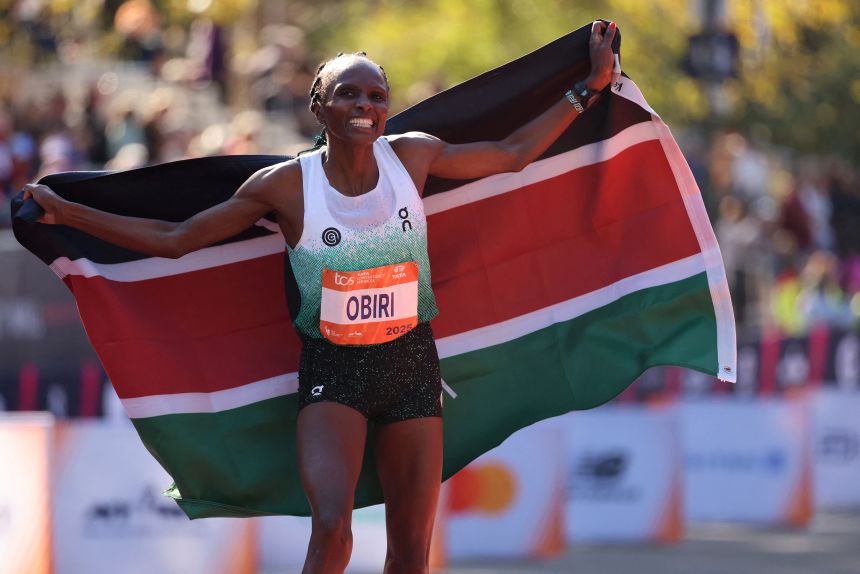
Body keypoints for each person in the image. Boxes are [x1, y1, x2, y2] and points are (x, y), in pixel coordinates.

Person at [24, 20, 617, 574]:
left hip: (412, 366)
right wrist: (70, 214)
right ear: (319, 106)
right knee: (333, 531)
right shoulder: (287, 185)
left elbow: (513, 155)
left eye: (377, 96)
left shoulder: (413, 155)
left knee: (411, 555)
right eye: (348, 94)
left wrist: (587, 89)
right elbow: (176, 240)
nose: (365, 106)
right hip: (334, 372)